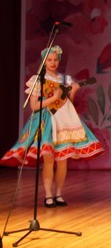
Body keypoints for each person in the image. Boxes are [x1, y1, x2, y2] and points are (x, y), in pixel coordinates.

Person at [1, 45, 105, 207]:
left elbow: (67, 103)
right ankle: (48, 195)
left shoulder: (65, 79)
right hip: (46, 121)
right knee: (49, 159)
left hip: (64, 120)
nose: (53, 62)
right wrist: (52, 98)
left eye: (55, 60)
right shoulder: (38, 80)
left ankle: (59, 194)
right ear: (44, 61)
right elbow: (34, 106)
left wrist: (73, 91)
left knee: (62, 160)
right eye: (49, 60)